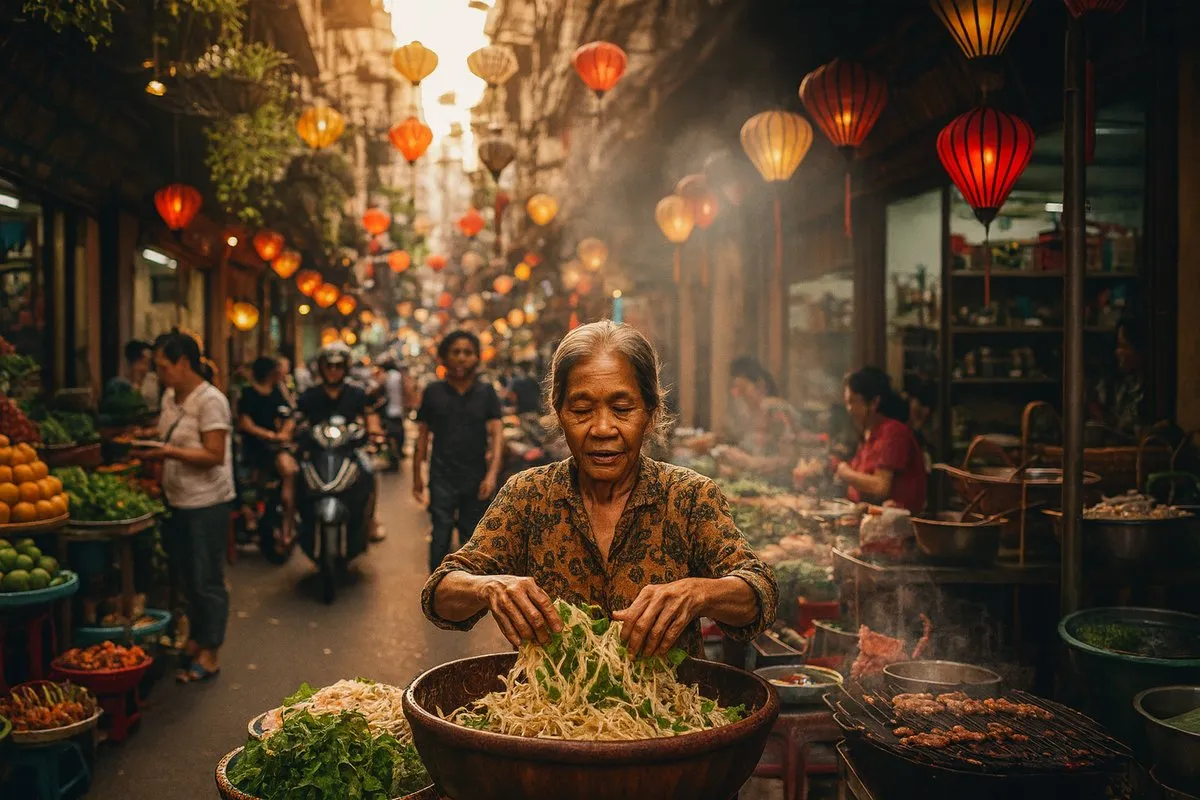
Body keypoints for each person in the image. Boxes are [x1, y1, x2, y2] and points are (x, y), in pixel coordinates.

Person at [420, 320, 778, 658]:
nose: (603, 428)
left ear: (651, 414)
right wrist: (489, 587)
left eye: (623, 409)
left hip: (670, 718)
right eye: (582, 409)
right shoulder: (528, 495)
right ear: (558, 413)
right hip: (551, 719)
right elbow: (440, 593)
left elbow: (759, 593)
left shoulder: (687, 496)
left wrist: (701, 593)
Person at [135, 331, 235, 683]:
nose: (159, 373)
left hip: (205, 503)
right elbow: (168, 435)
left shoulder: (211, 401)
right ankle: (195, 638)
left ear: (183, 362)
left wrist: (166, 453)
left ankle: (210, 653)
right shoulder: (169, 397)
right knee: (187, 577)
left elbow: (213, 454)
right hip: (175, 500)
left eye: (163, 366)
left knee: (207, 579)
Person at [413, 331, 505, 573]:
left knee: (471, 538)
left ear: (476, 358)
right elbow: (422, 437)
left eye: (468, 352)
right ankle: (436, 592)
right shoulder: (433, 391)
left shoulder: (487, 393)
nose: (462, 358)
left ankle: (467, 593)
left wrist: (491, 475)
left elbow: (497, 436)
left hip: (475, 476)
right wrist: (416, 478)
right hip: (441, 475)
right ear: (444, 357)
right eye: (456, 352)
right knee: (440, 534)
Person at [296, 344, 386, 542]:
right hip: (317, 453)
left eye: (338, 366)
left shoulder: (357, 393)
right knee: (295, 476)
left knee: (369, 471)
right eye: (329, 366)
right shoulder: (309, 395)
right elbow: (295, 419)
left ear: (345, 368)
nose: (333, 370)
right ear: (321, 368)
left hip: (349, 451)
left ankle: (371, 521)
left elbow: (370, 416)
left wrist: (374, 432)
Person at [826, 366, 927, 514]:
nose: (849, 409)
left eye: (852, 401)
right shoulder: (870, 433)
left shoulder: (893, 432)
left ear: (874, 403)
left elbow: (880, 486)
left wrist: (844, 472)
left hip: (895, 527)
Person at [711, 356, 805, 486]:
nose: (738, 395)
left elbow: (790, 461)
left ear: (760, 385)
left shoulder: (776, 410)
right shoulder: (751, 413)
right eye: (735, 390)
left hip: (781, 489)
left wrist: (749, 462)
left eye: (743, 389)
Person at [236, 356, 298, 548]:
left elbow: (289, 415)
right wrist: (270, 435)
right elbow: (245, 423)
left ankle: (288, 524)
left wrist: (284, 432)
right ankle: (251, 517)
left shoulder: (278, 392)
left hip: (275, 448)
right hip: (254, 448)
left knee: (290, 472)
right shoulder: (248, 394)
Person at [1090, 312, 1151, 438]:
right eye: (1118, 346)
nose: (1118, 352)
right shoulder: (1122, 383)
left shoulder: (1150, 387)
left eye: (1124, 346)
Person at [380, 357, 409, 473]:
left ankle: (394, 460)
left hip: (389, 411)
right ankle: (398, 454)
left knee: (390, 437)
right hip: (399, 411)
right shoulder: (398, 375)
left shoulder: (387, 376)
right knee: (399, 435)